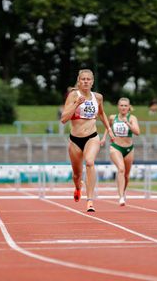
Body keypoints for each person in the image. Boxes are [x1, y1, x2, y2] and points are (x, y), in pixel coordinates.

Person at [60, 69, 114, 212]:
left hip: (92, 136)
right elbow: (64, 119)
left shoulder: (98, 97)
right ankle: (78, 187)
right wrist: (76, 104)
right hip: (75, 139)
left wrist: (109, 129)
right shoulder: (73, 95)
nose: (85, 81)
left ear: (92, 81)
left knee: (90, 162)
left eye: (88, 79)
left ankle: (90, 200)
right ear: (79, 81)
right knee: (77, 174)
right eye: (83, 79)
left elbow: (102, 114)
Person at [101, 98, 140, 206]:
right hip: (115, 147)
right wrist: (104, 138)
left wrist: (127, 123)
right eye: (121, 105)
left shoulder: (132, 118)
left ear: (128, 107)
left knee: (127, 175)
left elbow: (137, 132)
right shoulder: (113, 117)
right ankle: (121, 197)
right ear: (118, 106)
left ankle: (123, 192)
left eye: (125, 106)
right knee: (121, 169)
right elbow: (107, 127)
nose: (123, 107)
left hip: (129, 149)